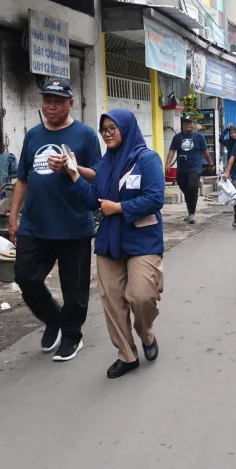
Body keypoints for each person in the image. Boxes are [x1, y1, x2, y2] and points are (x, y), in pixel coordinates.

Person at [67, 109, 164, 379]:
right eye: (104, 129)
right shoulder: (105, 164)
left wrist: (119, 207)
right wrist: (74, 175)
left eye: (113, 128)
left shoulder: (147, 159)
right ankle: (127, 355)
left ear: (126, 128)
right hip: (110, 240)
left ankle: (146, 335)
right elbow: (93, 201)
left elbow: (155, 198)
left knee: (141, 296)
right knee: (112, 300)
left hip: (142, 239)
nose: (107, 134)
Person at [9, 77, 101, 362]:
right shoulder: (33, 136)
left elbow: (98, 176)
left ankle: (72, 335)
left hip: (73, 224)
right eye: (47, 101)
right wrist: (13, 216)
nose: (51, 106)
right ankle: (53, 319)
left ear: (70, 103)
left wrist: (73, 167)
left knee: (74, 288)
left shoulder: (85, 135)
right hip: (35, 224)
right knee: (25, 277)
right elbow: (22, 179)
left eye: (58, 102)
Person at [166, 117, 213, 224]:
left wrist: (210, 164)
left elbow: (205, 152)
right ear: (183, 125)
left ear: (193, 124)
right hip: (182, 168)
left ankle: (192, 213)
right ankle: (190, 211)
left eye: (190, 123)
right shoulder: (177, 137)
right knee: (184, 187)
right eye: (185, 123)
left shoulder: (199, 137)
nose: (188, 124)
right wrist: (167, 164)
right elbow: (172, 151)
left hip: (195, 167)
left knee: (192, 187)